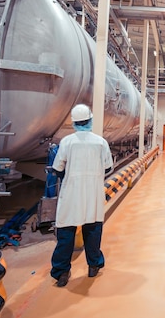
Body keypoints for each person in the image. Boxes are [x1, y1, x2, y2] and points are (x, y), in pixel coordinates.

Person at [50, 103, 113, 287]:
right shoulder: (100, 142)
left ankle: (61, 273)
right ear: (90, 120)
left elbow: (57, 168)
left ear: (74, 123)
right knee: (93, 231)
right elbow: (108, 167)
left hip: (71, 194)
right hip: (93, 193)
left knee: (66, 234)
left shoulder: (67, 142)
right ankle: (93, 266)